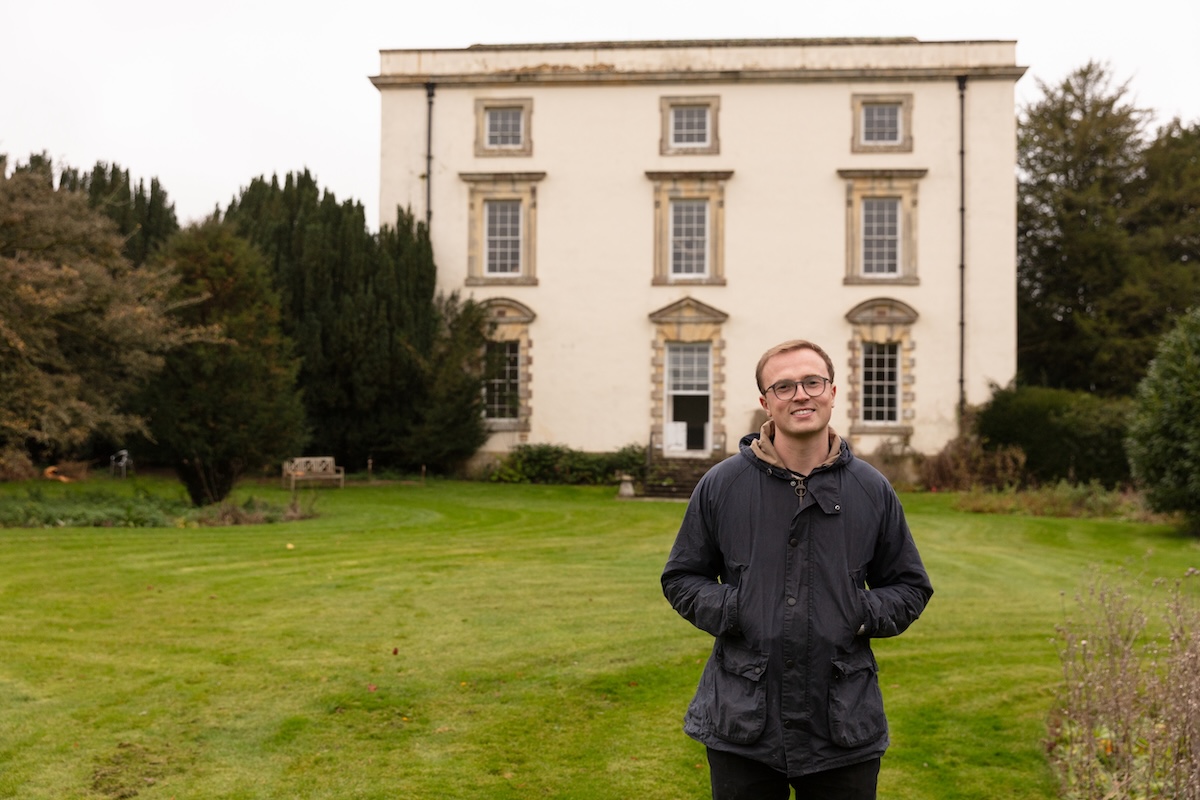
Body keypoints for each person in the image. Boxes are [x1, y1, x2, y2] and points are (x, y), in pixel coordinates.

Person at [661, 339, 933, 800]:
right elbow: (682, 577)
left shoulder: (871, 489)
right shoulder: (723, 485)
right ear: (765, 402)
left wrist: (859, 610)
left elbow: (909, 585)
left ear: (832, 391)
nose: (800, 394)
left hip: (842, 723)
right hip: (743, 720)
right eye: (783, 386)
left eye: (812, 382)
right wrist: (736, 609)